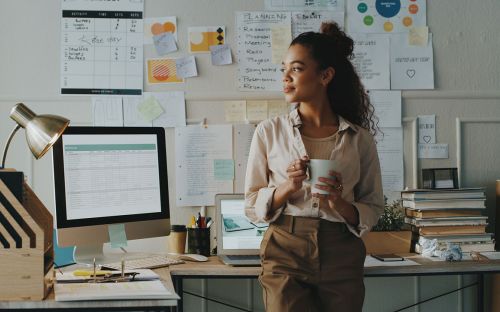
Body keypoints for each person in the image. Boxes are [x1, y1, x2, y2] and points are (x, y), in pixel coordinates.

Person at [244, 22, 384, 312]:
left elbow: (373, 206)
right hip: (285, 248)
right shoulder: (268, 132)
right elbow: (251, 203)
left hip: (342, 251)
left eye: (296, 69)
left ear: (325, 75)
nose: (285, 77)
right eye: (283, 69)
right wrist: (288, 187)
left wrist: (338, 203)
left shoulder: (360, 139)